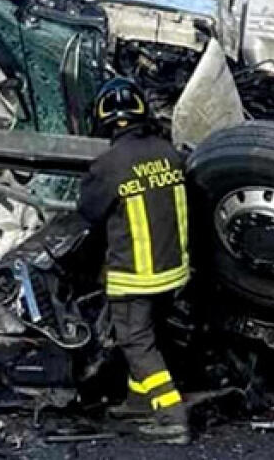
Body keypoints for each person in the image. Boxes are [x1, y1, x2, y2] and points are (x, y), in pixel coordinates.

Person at [78, 77, 191, 445]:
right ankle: (139, 400)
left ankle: (171, 414)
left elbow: (90, 212)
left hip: (135, 275)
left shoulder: (109, 164)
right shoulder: (169, 153)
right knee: (151, 334)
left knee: (136, 341)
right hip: (174, 268)